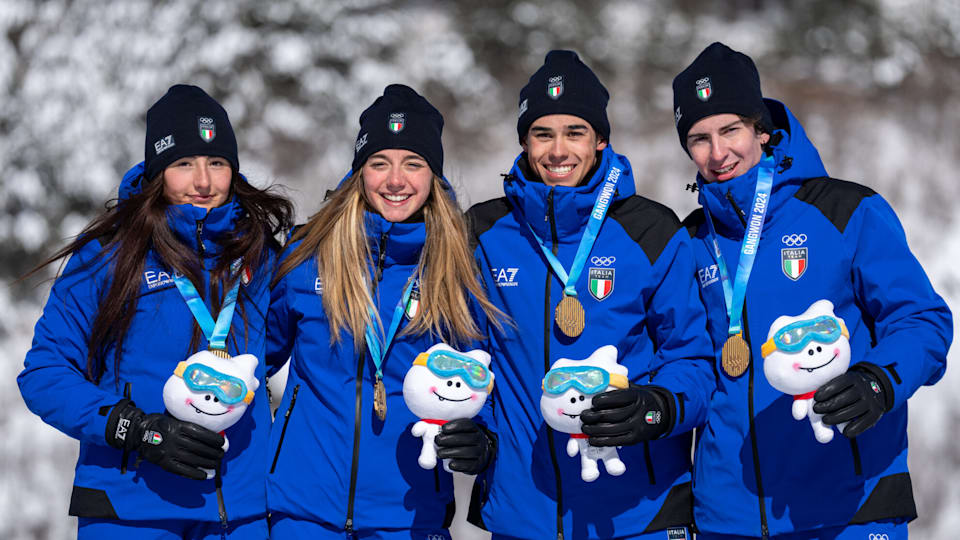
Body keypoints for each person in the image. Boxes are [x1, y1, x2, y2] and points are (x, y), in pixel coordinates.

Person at [672, 42, 952, 539]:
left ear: (760, 127)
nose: (718, 154)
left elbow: (922, 321)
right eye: (699, 138)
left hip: (850, 506)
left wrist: (878, 381)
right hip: (728, 515)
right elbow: (687, 363)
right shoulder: (691, 240)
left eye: (731, 130)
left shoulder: (847, 210)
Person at [17, 84, 294, 539]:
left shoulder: (260, 259)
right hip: (130, 510)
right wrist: (140, 430)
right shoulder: (109, 257)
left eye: (217, 163)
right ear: (158, 171)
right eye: (184, 164)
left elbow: (277, 350)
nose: (203, 182)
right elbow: (44, 375)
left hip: (241, 513)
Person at [466, 50, 715, 539]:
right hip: (522, 513)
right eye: (543, 133)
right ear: (524, 141)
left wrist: (655, 406)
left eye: (575, 132)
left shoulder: (651, 230)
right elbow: (463, 348)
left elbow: (694, 359)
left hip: (640, 513)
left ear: (600, 139)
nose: (558, 151)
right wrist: (477, 431)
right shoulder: (483, 231)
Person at [265, 84, 505, 539]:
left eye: (413, 164)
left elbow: (485, 375)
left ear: (433, 175)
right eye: (379, 163)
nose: (396, 181)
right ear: (359, 172)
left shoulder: (458, 263)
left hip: (410, 513)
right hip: (302, 511)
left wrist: (483, 438)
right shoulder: (307, 252)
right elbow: (253, 361)